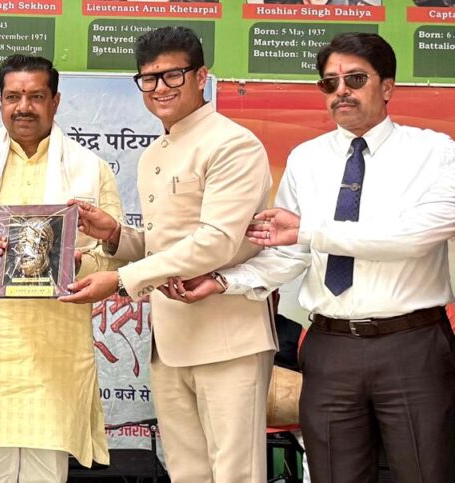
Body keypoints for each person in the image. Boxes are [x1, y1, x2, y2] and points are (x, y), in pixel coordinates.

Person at [174, 32, 455, 482]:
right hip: (330, 347)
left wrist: (308, 230)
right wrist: (226, 281)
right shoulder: (307, 159)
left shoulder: (436, 152)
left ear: (387, 86)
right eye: (330, 83)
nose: (341, 91)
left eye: (355, 79)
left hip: (412, 346)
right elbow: (290, 254)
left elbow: (412, 237)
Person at [60, 27, 277, 482]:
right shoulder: (153, 153)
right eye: (149, 78)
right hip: (171, 341)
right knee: (186, 473)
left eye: (172, 75)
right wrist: (116, 236)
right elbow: (168, 244)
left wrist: (121, 280)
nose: (160, 88)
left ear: (201, 76)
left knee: (236, 474)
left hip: (229, 339)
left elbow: (216, 241)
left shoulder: (232, 143)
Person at [0, 54, 123, 482]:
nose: (24, 107)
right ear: (0, 101)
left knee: (45, 471)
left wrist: (75, 258)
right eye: (13, 97)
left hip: (57, 346)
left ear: (55, 101)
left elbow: (113, 253)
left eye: (36, 96)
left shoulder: (91, 171)